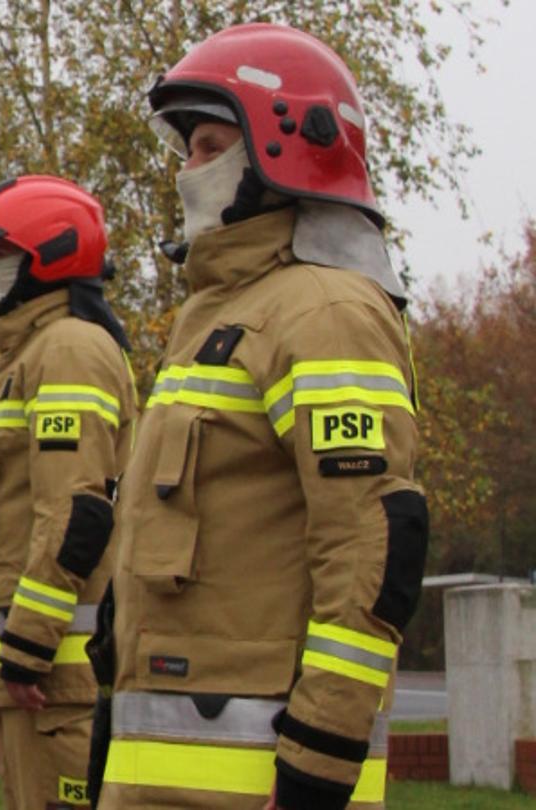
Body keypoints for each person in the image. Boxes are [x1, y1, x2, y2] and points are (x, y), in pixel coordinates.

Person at [96, 23, 425, 810]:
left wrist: (322, 750)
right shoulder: (218, 318)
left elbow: (370, 544)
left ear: (284, 148)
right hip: (167, 773)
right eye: (189, 149)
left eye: (211, 146)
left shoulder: (324, 311)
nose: (189, 170)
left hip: (260, 777)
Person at [0, 175, 138, 808]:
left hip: (56, 674)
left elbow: (76, 510)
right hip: (37, 674)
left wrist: (29, 642)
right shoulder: (28, 355)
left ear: (46, 257)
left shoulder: (69, 351)